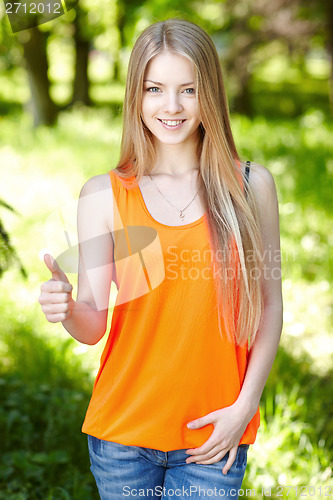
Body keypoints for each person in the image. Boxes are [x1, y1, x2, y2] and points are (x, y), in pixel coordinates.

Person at [38, 18, 283, 500]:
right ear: (136, 95)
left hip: (214, 434)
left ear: (209, 93)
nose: (171, 107)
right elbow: (93, 324)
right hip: (122, 435)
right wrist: (67, 309)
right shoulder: (104, 195)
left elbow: (270, 306)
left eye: (188, 89)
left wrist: (244, 407)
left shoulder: (251, 188)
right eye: (155, 88)